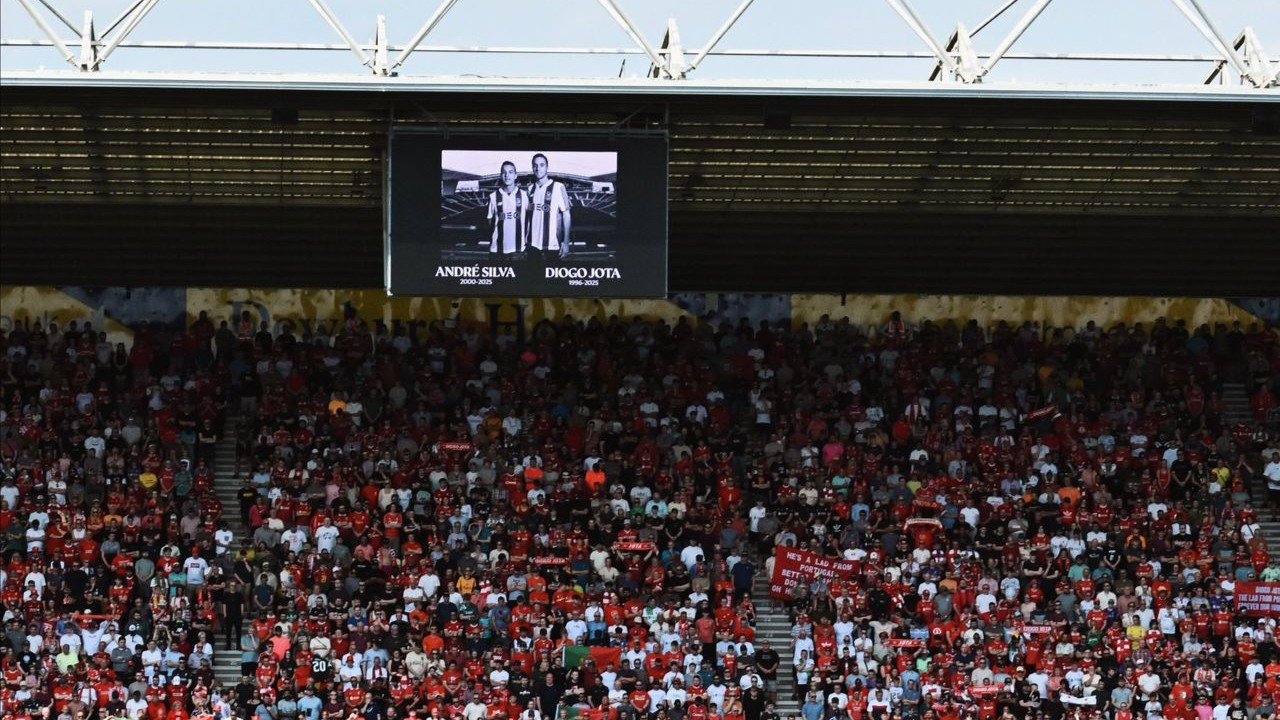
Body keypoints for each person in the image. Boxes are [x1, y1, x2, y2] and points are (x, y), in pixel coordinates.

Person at [525, 153, 571, 261]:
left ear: (547, 167)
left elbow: (566, 215)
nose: (538, 168)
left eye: (542, 165)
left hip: (552, 246)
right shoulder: (530, 189)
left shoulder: (558, 187)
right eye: (535, 165)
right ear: (532, 167)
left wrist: (566, 242)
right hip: (531, 245)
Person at [487, 160, 528, 257]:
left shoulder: (524, 195)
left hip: (519, 249)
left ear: (515, 175)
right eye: (504, 172)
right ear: (501, 175)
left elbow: (529, 218)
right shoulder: (493, 196)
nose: (507, 175)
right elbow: (490, 220)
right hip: (497, 249)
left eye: (510, 172)